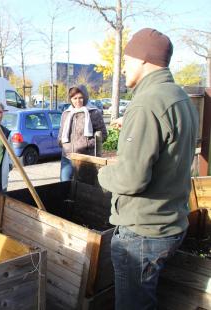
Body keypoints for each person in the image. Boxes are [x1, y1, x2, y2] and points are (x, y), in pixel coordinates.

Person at [97, 28, 198, 310]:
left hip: (142, 232)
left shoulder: (147, 103)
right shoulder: (180, 98)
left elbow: (131, 178)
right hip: (170, 223)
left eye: (127, 59)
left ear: (143, 59)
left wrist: (103, 174)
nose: (123, 68)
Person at [58, 84, 107, 181]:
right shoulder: (66, 113)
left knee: (83, 188)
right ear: (70, 99)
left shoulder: (94, 113)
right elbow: (61, 132)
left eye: (80, 98)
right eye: (74, 98)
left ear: (85, 97)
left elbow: (104, 135)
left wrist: (87, 144)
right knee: (63, 186)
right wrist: (61, 142)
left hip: (85, 159)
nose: (77, 101)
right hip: (67, 157)